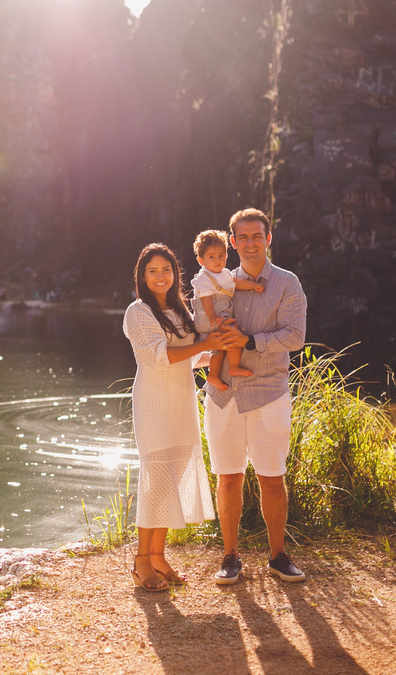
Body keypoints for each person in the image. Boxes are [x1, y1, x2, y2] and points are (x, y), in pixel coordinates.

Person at [205, 208, 308, 585]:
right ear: (232, 243)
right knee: (228, 477)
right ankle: (230, 557)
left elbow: (295, 337)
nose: (249, 243)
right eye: (242, 237)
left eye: (256, 236)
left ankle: (278, 556)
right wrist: (214, 338)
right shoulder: (217, 281)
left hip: (268, 393)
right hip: (224, 397)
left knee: (272, 478)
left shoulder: (287, 283)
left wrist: (249, 341)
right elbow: (201, 327)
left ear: (268, 239)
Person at [122, 243, 217, 591]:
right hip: (154, 403)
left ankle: (159, 557)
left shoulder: (181, 311)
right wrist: (206, 345)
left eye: (166, 269)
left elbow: (189, 358)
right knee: (156, 481)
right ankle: (141, 562)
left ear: (175, 274)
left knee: (171, 478)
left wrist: (220, 352)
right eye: (152, 271)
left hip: (181, 402)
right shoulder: (138, 311)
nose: (160, 276)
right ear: (143, 277)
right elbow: (158, 358)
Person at [191, 229, 265, 391]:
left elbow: (237, 282)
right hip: (208, 317)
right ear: (201, 260)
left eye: (221, 256)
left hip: (218, 316)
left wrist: (253, 285)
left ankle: (213, 375)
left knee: (221, 347)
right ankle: (234, 366)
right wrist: (212, 316)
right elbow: (206, 300)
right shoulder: (204, 278)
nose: (217, 260)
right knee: (233, 331)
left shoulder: (224, 274)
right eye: (211, 257)